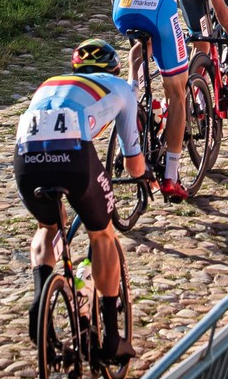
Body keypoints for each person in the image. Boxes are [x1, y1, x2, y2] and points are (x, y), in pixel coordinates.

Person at [17, 40, 143, 360]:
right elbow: (134, 162)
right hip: (73, 151)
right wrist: (144, 176)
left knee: (47, 226)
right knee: (102, 234)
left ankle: (40, 303)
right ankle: (113, 339)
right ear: (114, 69)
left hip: (26, 148)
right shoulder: (120, 87)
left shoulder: (49, 84)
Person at [112, 0, 228, 200]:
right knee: (177, 92)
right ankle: (171, 176)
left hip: (122, 6)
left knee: (140, 49)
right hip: (159, 9)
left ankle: (132, 98)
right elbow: (220, 8)